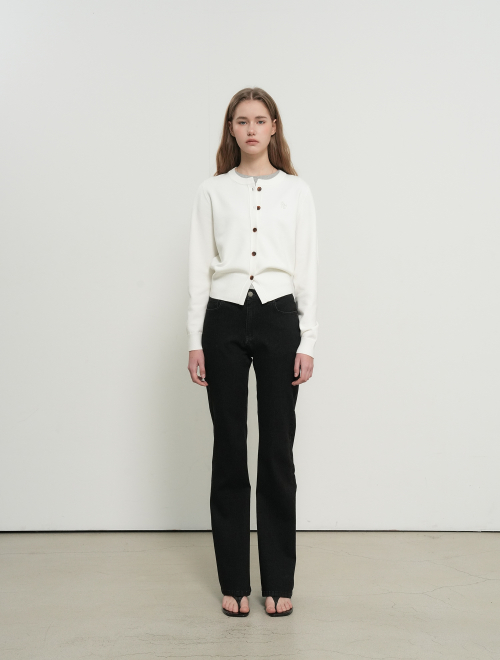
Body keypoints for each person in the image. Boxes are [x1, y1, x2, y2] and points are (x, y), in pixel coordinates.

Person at [186, 87, 319, 617]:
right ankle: (235, 583)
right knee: (229, 447)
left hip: (279, 316)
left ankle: (278, 581)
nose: (251, 129)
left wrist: (308, 339)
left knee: (277, 449)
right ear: (231, 129)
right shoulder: (212, 191)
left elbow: (307, 268)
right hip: (222, 318)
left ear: (274, 128)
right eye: (241, 121)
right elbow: (199, 267)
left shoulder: (297, 191)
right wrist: (194, 339)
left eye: (260, 120)